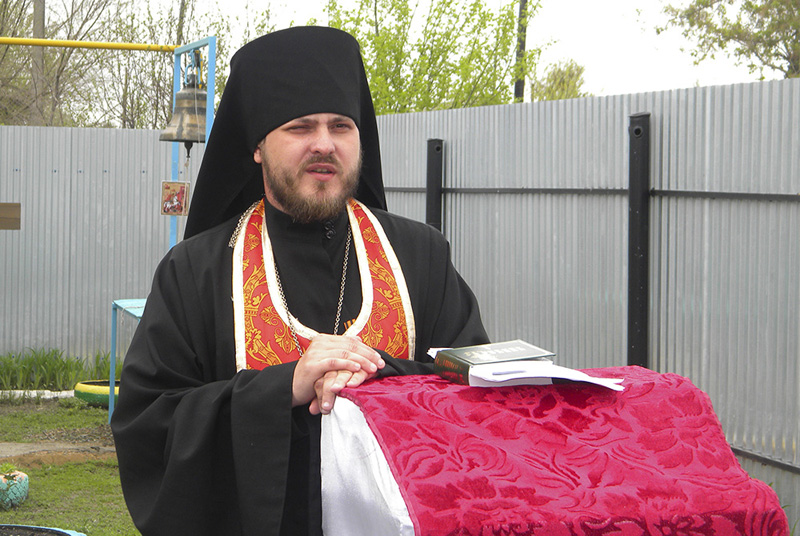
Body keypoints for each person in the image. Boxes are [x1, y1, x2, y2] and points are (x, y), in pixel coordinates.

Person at [111, 26, 488, 536]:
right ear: (257, 147)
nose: (324, 144)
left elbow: (477, 398)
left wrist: (378, 375)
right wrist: (281, 388)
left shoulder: (422, 255)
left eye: (341, 126)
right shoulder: (194, 271)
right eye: (300, 127)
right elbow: (148, 426)